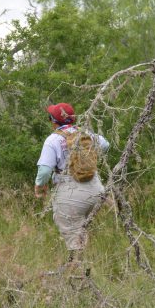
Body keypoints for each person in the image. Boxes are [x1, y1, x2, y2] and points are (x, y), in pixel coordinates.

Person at [34, 102, 110, 257]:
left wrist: (39, 187)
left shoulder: (53, 140)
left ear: (53, 121)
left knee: (75, 242)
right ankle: (94, 263)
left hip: (71, 193)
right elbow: (106, 145)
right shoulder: (86, 134)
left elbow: (45, 171)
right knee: (83, 230)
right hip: (96, 189)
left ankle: (78, 274)